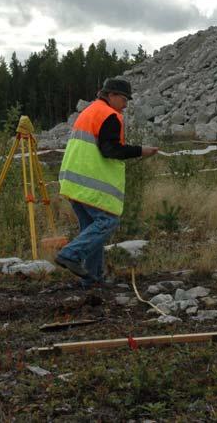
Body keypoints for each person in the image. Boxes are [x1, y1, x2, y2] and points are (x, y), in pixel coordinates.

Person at [55, 77, 158, 288]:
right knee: (107, 222)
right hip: (90, 185)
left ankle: (92, 281)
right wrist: (141, 151)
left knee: (93, 233)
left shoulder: (90, 111)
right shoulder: (109, 115)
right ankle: (70, 254)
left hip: (74, 183)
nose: (126, 104)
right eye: (123, 98)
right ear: (110, 95)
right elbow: (110, 150)